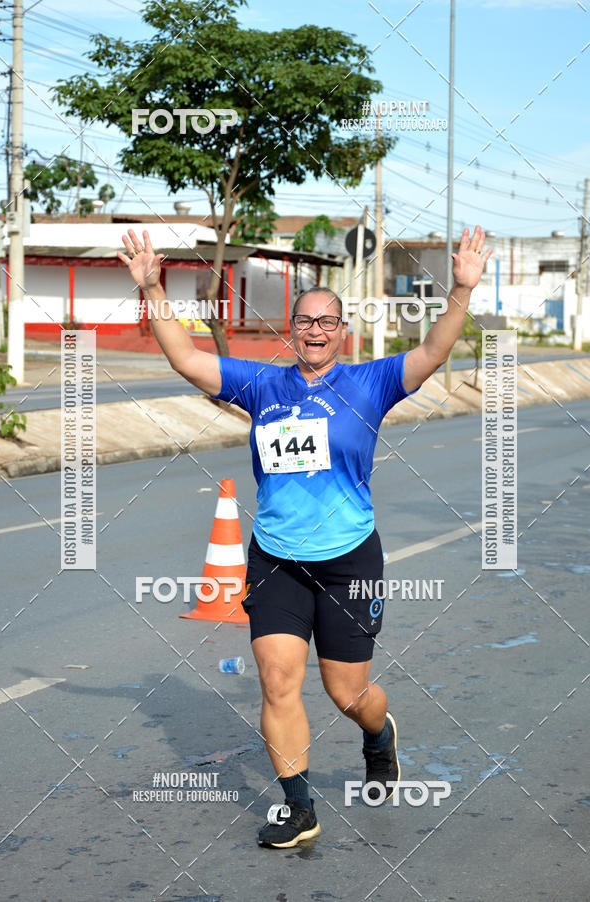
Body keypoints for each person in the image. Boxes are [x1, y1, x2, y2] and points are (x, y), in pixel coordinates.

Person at [118, 225, 491, 849]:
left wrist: (461, 289)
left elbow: (432, 350)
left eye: (326, 321)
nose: (314, 330)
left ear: (341, 330)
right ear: (291, 329)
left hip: (349, 560)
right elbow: (185, 358)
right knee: (276, 681)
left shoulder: (370, 383)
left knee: (347, 692)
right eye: (304, 321)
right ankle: (298, 807)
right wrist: (153, 288)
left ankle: (380, 736)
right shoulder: (263, 385)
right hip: (276, 559)